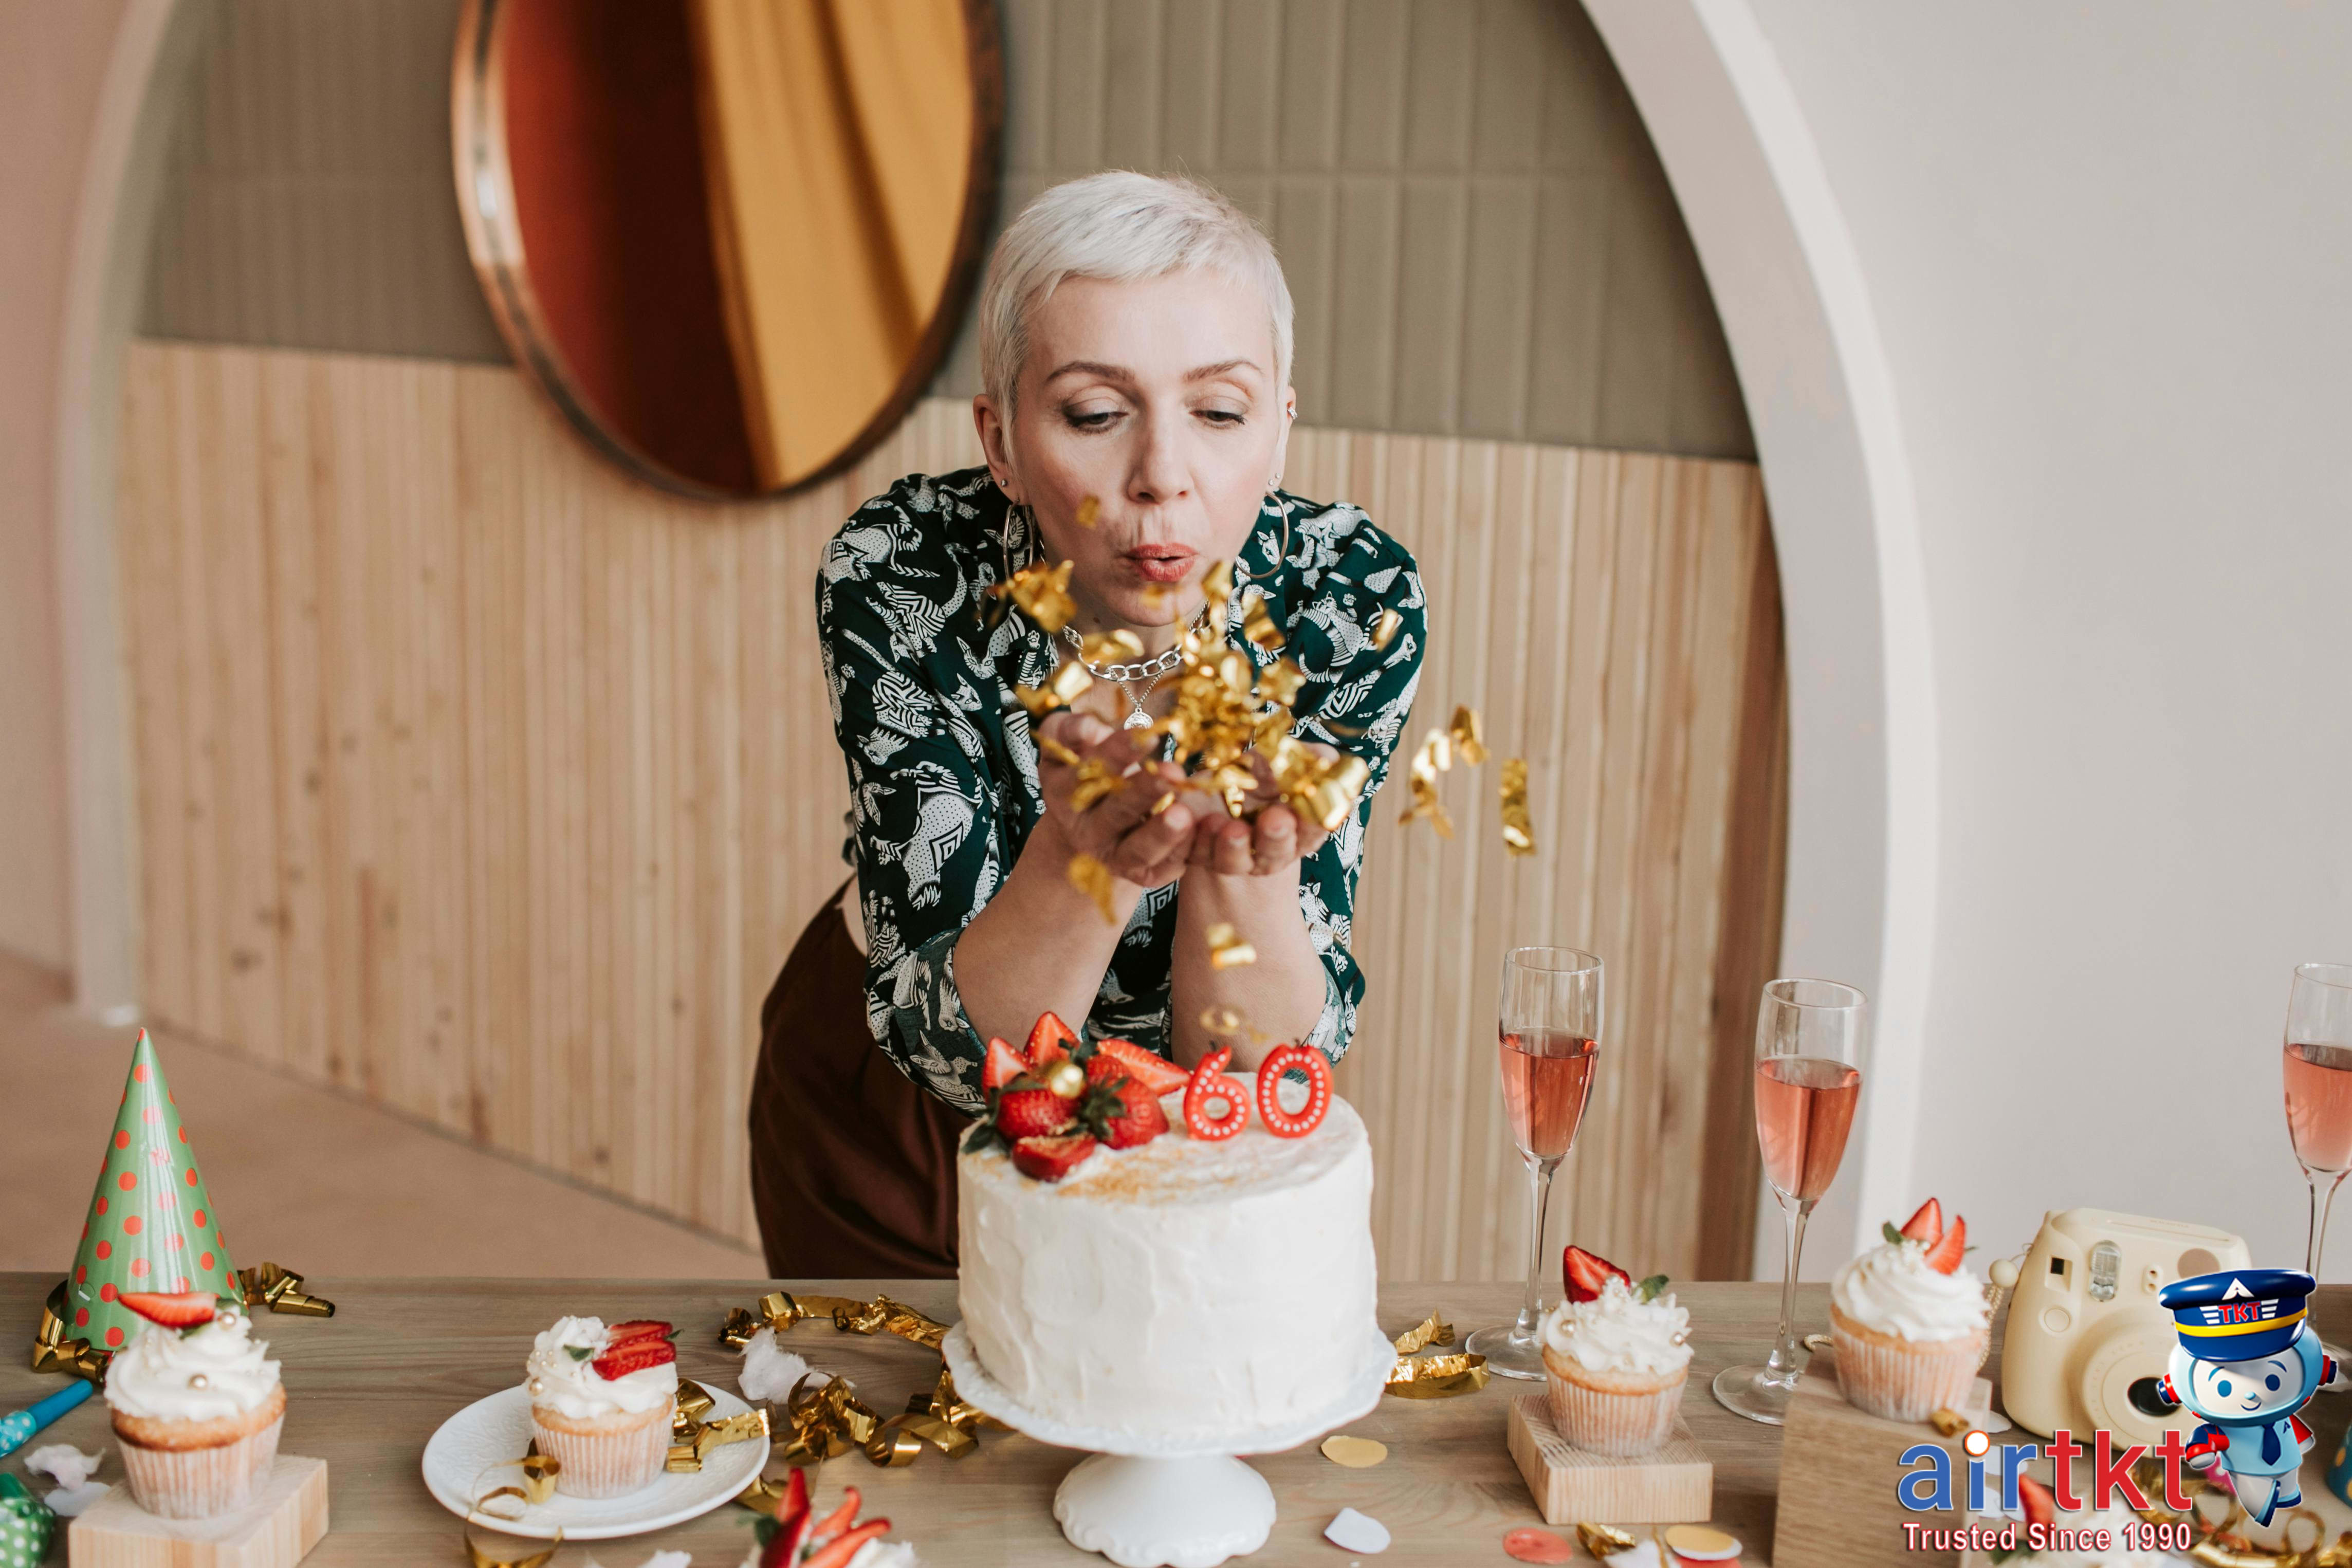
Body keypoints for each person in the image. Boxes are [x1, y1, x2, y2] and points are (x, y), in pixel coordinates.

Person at [749, 172, 1427, 1278]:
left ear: (1280, 430)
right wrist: (1077, 859)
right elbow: (963, 1059)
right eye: (1095, 414)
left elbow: (1255, 1064)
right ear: (1003, 441)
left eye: (1217, 412)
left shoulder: (1347, 600)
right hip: (900, 1119)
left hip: (1191, 1116)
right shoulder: (902, 565)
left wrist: (1243, 868)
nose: (1161, 478)